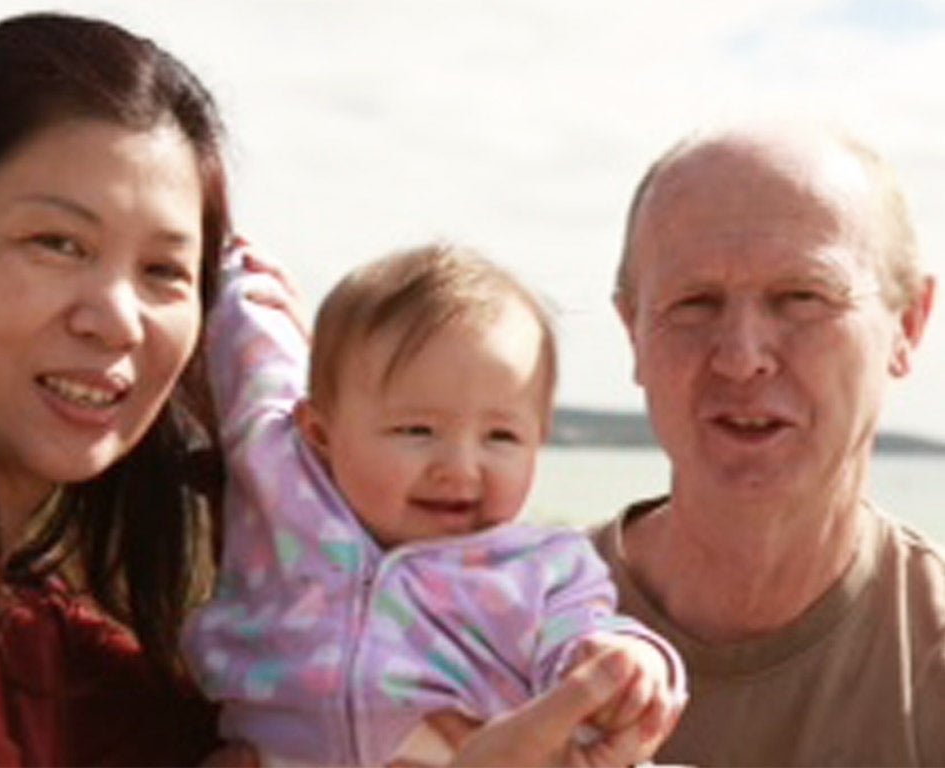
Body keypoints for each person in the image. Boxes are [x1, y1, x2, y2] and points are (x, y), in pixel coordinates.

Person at [0, 12, 232, 765]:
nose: (118, 320)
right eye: (56, 244)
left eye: (164, 272)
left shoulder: (47, 646)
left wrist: (289, 465)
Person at [181, 240, 687, 766]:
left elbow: (586, 634)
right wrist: (234, 272)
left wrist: (633, 662)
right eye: (417, 430)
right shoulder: (282, 476)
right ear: (320, 431)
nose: (460, 467)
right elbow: (255, 370)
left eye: (502, 437)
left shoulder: (539, 571)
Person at [588, 121, 943, 765]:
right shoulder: (497, 620)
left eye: (802, 297)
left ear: (909, 326)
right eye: (694, 302)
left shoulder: (931, 659)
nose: (742, 357)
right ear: (632, 330)